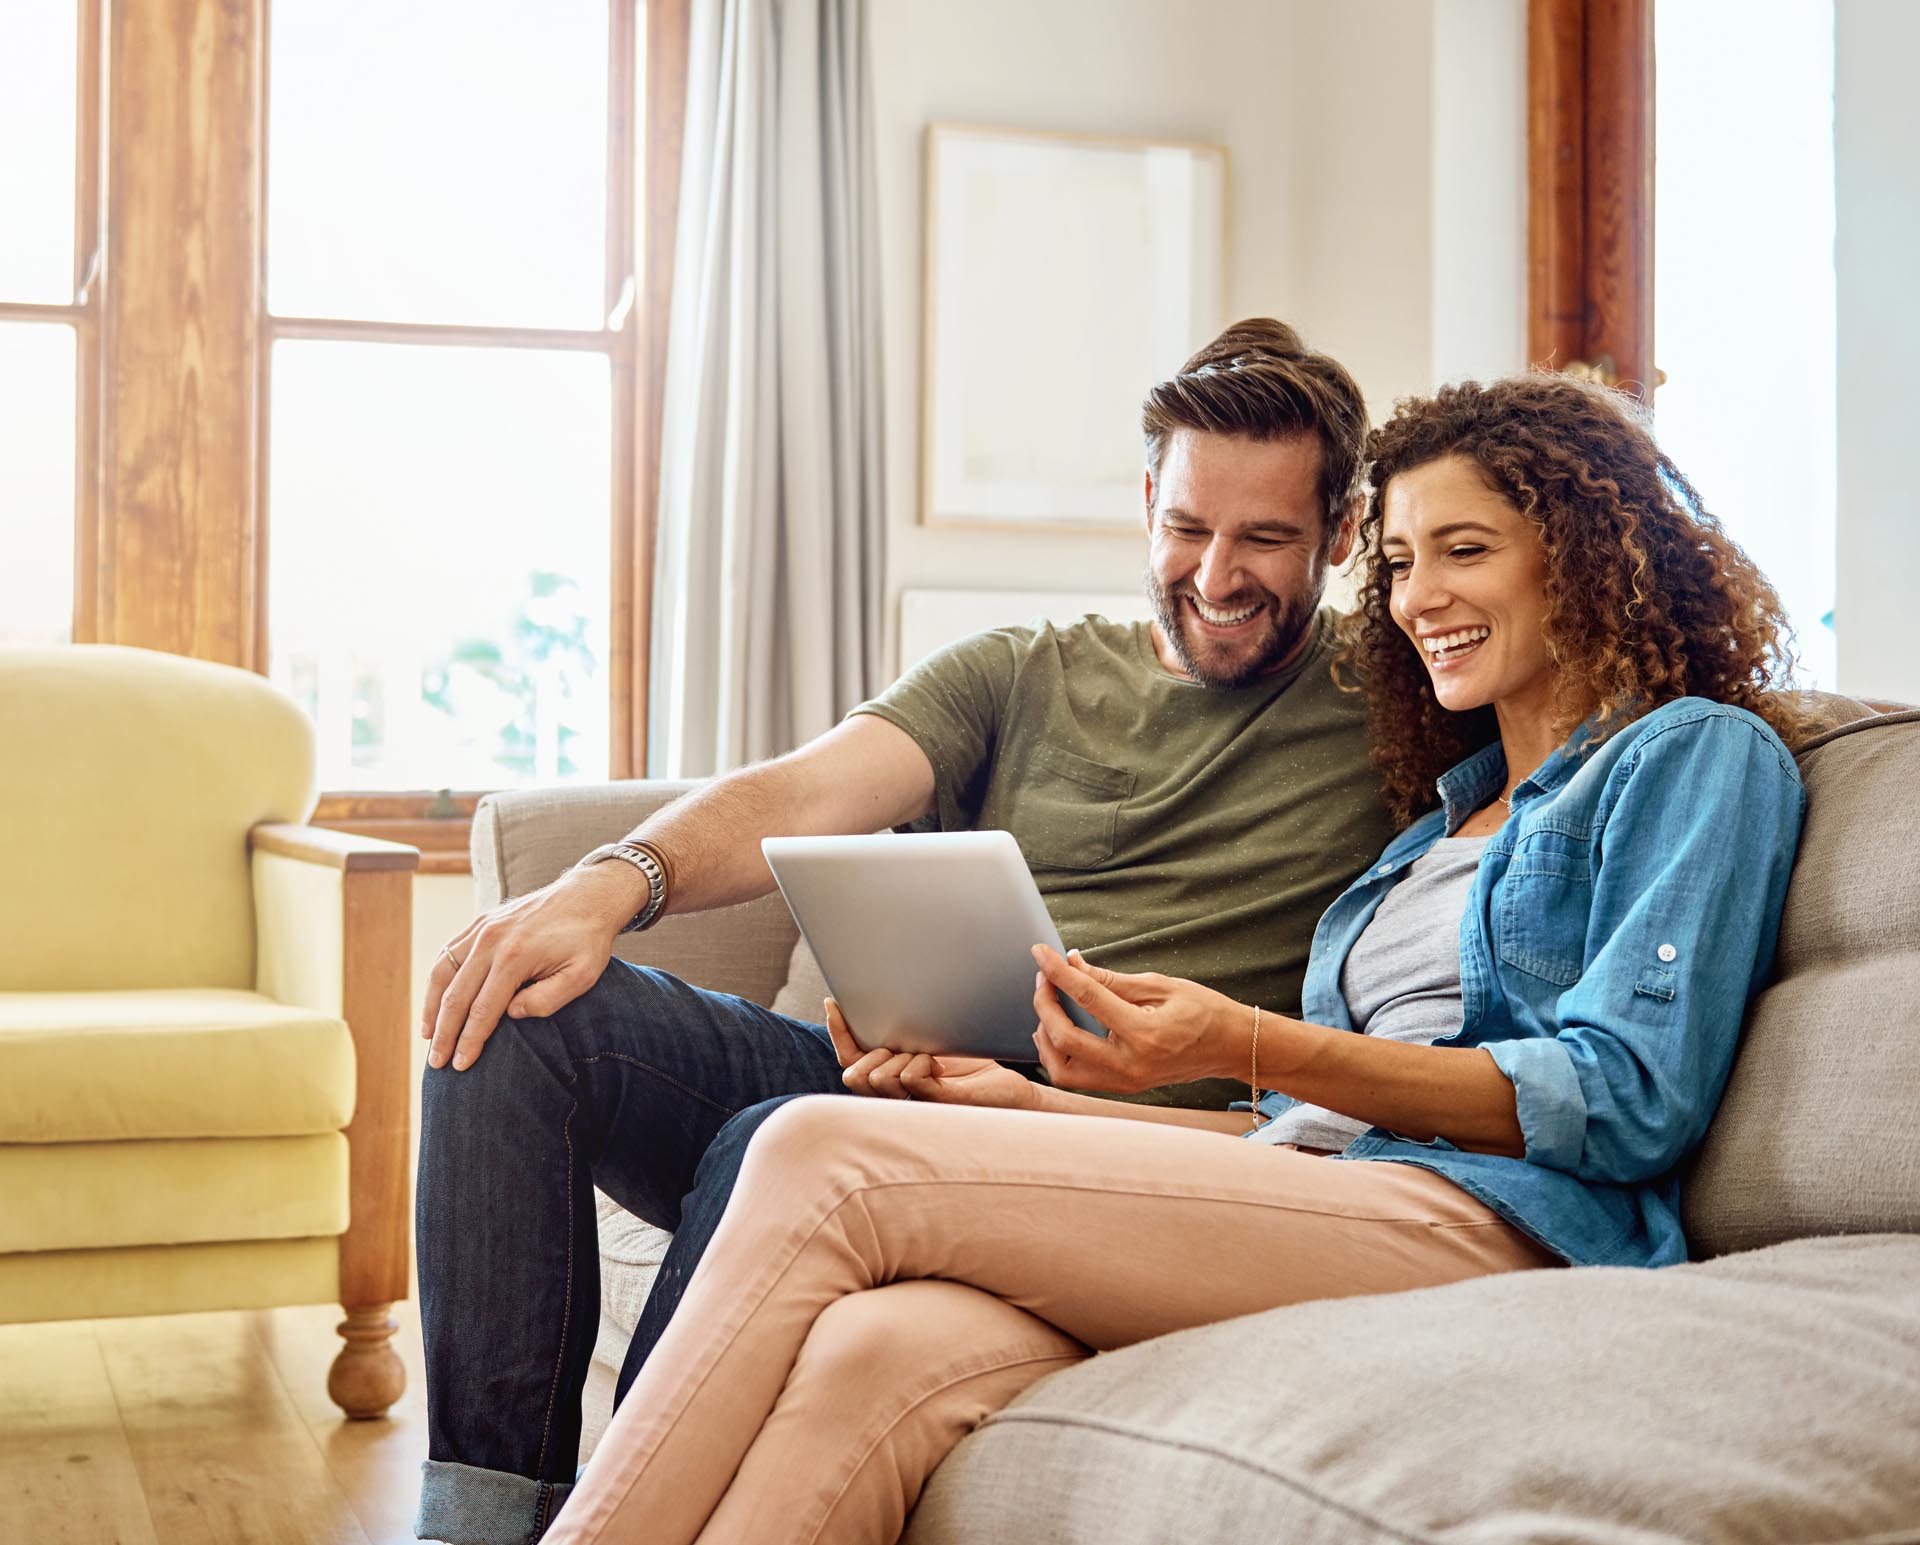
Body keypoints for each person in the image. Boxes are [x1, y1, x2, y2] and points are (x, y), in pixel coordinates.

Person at [542, 372, 1812, 1545]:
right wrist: (1039, 1109)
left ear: (1589, 558)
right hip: (1359, 1198)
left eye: (1466, 551)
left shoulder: (1694, 756)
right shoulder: (1436, 822)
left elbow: (1625, 1098)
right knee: (872, 1350)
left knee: (818, 1146)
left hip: (1509, 1230)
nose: (1421, 596)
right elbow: (1316, 1139)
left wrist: (1232, 1039)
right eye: (1406, 559)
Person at [414, 320, 1402, 1544]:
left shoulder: (1399, 702)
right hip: (908, 1085)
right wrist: (607, 884)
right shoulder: (1020, 671)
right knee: (518, 1014)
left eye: (1266, 539)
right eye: (1189, 527)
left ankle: (637, 1507)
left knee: (786, 1135)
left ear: (1346, 535)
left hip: (1107, 1147)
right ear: (1148, 498)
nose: (1215, 576)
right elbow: (806, 788)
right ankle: (479, 1526)